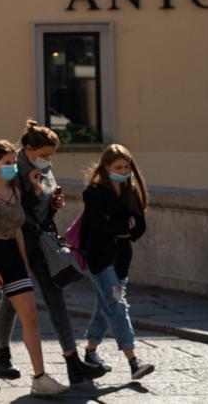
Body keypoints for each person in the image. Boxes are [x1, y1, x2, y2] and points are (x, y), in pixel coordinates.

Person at [0, 122, 108, 385]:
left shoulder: (44, 168)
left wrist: (54, 203)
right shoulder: (14, 169)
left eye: (51, 156)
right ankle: (2, 355)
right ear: (29, 149)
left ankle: (72, 362)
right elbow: (14, 209)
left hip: (43, 242)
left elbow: (44, 209)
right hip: (19, 241)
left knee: (55, 297)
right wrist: (34, 192)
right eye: (44, 155)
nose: (48, 161)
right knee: (13, 297)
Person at [0, 140, 69, 397]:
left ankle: (39, 377)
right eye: (7, 163)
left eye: (14, 163)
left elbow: (18, 228)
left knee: (30, 315)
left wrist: (24, 263)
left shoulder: (15, 191)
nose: (12, 167)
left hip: (13, 260)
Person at [79, 144, 154, 380]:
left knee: (106, 305)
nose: (123, 170)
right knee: (117, 304)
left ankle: (90, 352)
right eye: (118, 167)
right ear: (106, 167)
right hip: (99, 258)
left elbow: (139, 226)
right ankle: (133, 360)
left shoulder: (130, 192)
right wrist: (123, 227)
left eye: (126, 166)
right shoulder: (94, 193)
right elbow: (101, 225)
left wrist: (122, 229)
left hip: (121, 258)